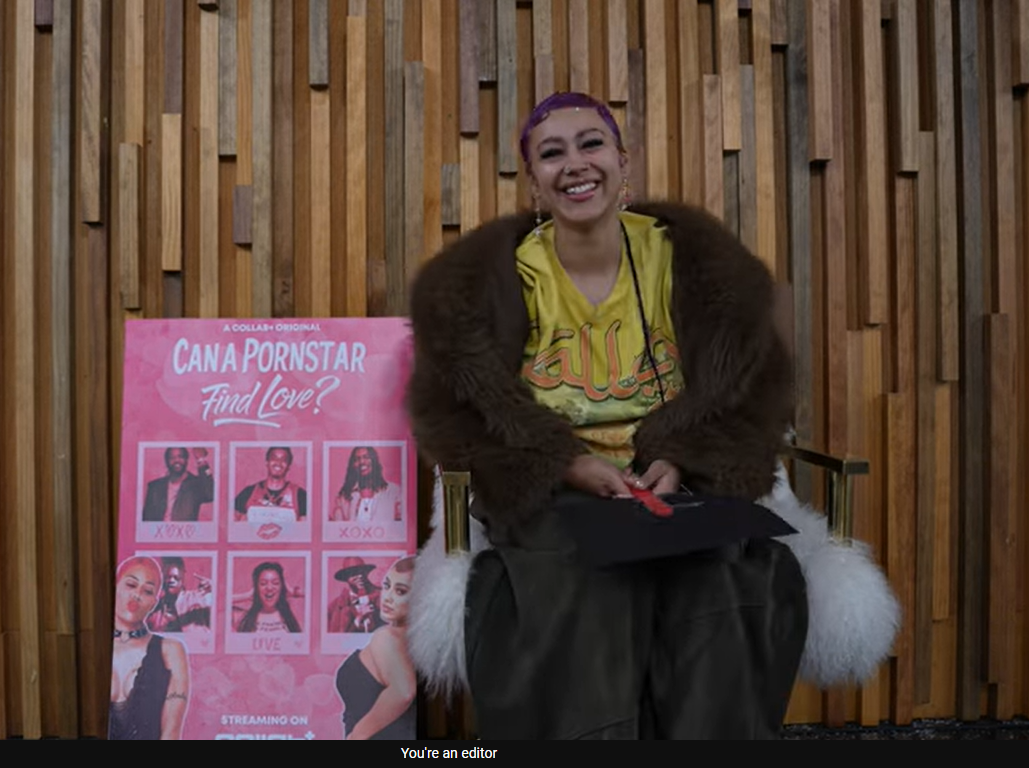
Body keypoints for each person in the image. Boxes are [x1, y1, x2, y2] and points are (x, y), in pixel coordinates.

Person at [405, 91, 808, 739]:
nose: (575, 163)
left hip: (677, 485)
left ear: (624, 161)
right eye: (552, 153)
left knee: (717, 582)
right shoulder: (493, 281)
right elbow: (453, 412)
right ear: (533, 180)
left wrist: (681, 457)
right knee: (585, 587)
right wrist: (566, 464)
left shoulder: (690, 262)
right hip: (552, 492)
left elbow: (752, 389)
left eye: (591, 143)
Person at [109, 557, 191, 740]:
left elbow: (171, 732)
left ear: (154, 602)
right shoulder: (90, 647)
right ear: (115, 587)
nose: (137, 595)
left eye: (147, 591)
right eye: (131, 585)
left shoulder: (170, 650)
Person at [337, 556, 416, 740]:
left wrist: (357, 735)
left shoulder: (387, 637)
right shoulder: (413, 642)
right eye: (386, 586)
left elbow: (404, 692)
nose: (387, 597)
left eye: (400, 591)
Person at [233, 447, 308, 522]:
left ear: (288, 466)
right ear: (267, 462)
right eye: (274, 458)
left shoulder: (300, 496)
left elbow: (306, 526)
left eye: (284, 459)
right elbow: (233, 523)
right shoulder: (248, 492)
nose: (278, 462)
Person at [329, 447, 402, 523]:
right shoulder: (344, 497)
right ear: (353, 465)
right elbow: (337, 526)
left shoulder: (393, 492)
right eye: (357, 459)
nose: (362, 462)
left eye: (366, 457)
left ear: (374, 461)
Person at [141, 447, 215, 522]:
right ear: (166, 461)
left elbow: (210, 494)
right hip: (158, 529)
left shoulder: (195, 485)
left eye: (181, 456)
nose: (176, 460)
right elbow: (146, 518)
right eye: (172, 457)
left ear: (186, 459)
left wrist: (201, 460)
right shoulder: (154, 487)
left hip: (186, 529)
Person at [146, 557, 213, 634]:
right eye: (168, 577)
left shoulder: (198, 598)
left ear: (182, 577)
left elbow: (222, 611)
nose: (171, 580)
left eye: (176, 577)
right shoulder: (155, 609)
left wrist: (215, 590)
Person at [232, 562, 303, 633]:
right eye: (263, 583)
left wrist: (294, 592)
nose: (269, 588)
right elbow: (224, 600)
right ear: (256, 587)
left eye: (275, 583)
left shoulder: (293, 620)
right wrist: (247, 595)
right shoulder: (242, 618)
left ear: (282, 587)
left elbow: (310, 596)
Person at [326, 556, 385, 633]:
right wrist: (359, 618)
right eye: (354, 573)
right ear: (346, 577)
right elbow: (334, 636)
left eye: (362, 572)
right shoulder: (334, 607)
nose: (360, 576)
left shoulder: (382, 596)